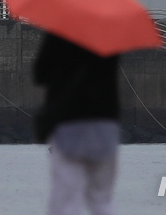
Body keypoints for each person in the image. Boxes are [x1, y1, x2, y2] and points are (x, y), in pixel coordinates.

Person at [33, 33, 121, 215]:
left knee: (65, 201)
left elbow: (40, 74)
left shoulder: (60, 34)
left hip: (69, 121)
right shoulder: (108, 35)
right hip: (106, 123)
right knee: (101, 200)